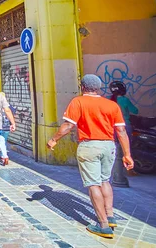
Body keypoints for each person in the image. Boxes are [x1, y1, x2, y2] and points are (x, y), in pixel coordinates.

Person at [48, 74, 133, 239]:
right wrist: (127, 154)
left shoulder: (78, 101)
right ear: (99, 88)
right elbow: (121, 131)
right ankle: (110, 216)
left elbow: (68, 125)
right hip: (109, 146)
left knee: (93, 184)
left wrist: (53, 139)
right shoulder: (111, 105)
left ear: (82, 87)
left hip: (89, 146)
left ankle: (103, 226)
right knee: (105, 181)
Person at [0, 92, 16, 166]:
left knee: (0, 141)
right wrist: (12, 124)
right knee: (3, 141)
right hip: (7, 127)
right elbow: (13, 113)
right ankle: (2, 155)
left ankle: (4, 156)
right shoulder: (9, 106)